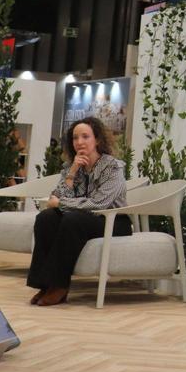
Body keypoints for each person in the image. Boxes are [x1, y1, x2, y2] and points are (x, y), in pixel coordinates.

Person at [27, 116, 130, 306]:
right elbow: (54, 198)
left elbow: (99, 204)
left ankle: (60, 285)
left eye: (85, 136)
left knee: (72, 220)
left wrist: (61, 203)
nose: (80, 142)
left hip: (113, 221)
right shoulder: (71, 166)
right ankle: (44, 284)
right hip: (82, 218)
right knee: (46, 218)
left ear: (97, 140)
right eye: (75, 138)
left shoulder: (113, 167)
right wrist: (72, 173)